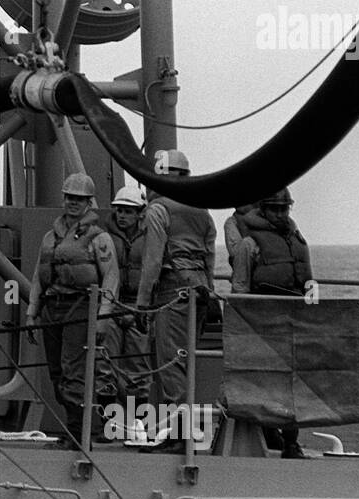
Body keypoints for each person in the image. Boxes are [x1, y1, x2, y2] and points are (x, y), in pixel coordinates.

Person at [25, 173, 120, 445]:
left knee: (74, 372)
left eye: (79, 199)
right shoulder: (49, 238)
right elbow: (37, 276)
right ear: (63, 198)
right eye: (70, 197)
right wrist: (32, 313)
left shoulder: (99, 238)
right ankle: (76, 429)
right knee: (57, 373)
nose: (73, 203)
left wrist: (103, 316)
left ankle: (80, 435)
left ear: (89, 202)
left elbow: (111, 276)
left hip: (79, 308)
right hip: (51, 309)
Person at [229, 187, 311, 458]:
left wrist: (312, 315)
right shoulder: (249, 245)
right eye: (274, 208)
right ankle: (267, 433)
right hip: (262, 323)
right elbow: (240, 287)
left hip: (293, 321)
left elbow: (309, 283)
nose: (279, 213)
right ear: (263, 209)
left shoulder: (298, 241)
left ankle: (291, 441)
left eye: (283, 208)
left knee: (292, 385)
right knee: (263, 382)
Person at [135, 150, 216, 417]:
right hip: (201, 287)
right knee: (188, 359)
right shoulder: (203, 210)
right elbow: (209, 256)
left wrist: (143, 303)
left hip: (173, 289)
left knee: (171, 363)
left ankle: (178, 435)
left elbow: (153, 262)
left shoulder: (158, 210)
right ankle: (187, 432)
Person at [107, 185, 151, 425]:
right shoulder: (103, 235)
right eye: (119, 211)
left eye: (128, 211)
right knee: (106, 366)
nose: (122, 216)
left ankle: (137, 424)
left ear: (139, 213)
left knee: (138, 369)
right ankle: (112, 423)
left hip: (138, 308)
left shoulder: (151, 237)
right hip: (111, 307)